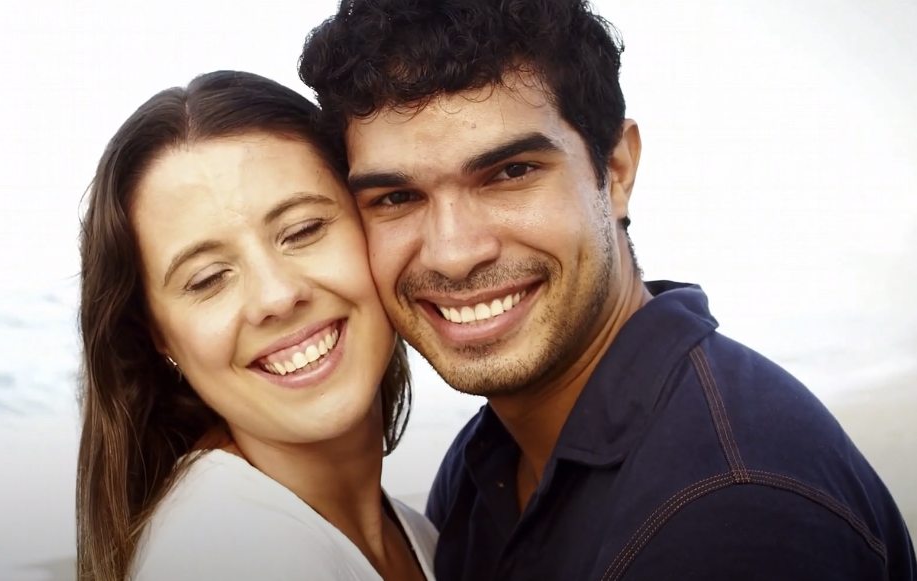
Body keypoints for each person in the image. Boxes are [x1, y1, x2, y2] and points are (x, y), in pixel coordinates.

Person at [297, 1, 917, 580]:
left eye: (511, 173)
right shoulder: (485, 461)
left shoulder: (733, 511)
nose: (455, 254)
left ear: (615, 172)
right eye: (397, 197)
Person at [75, 70, 436, 581]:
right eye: (207, 279)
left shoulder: (425, 536)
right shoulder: (231, 552)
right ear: (155, 334)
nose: (277, 296)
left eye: (303, 230)